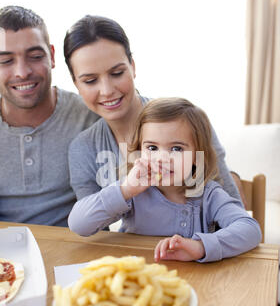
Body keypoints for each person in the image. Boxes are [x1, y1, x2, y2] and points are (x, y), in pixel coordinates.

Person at [64, 15, 246, 208]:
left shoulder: (188, 122)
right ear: (76, 83)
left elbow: (233, 213)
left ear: (132, 67)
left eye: (117, 73)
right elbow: (91, 227)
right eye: (90, 81)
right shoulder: (82, 149)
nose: (107, 90)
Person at [68, 97, 261, 263]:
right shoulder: (133, 192)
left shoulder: (209, 195)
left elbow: (250, 230)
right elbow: (78, 224)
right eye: (152, 148)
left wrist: (200, 247)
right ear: (139, 150)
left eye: (176, 148)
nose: (161, 158)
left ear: (197, 155)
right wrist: (125, 190)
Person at [0, 6, 98, 226]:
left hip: (75, 254)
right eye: (6, 61)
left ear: (52, 56)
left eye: (35, 56)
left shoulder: (91, 115)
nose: (22, 72)